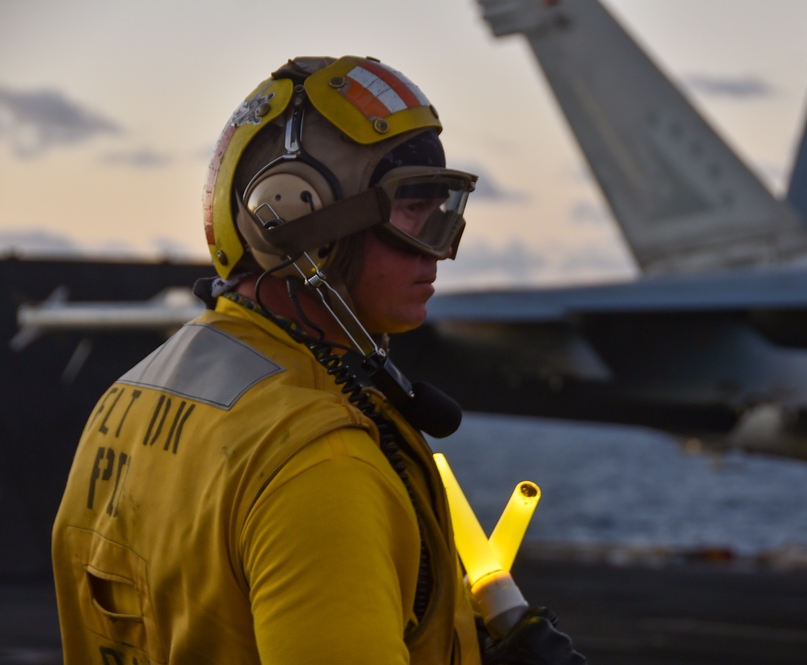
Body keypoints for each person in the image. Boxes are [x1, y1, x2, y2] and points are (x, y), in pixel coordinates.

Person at [52, 55, 585, 664]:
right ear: (296, 215)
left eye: (443, 210)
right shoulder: (322, 466)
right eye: (413, 207)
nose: (440, 247)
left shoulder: (124, 401)